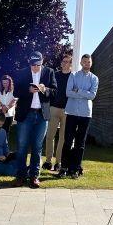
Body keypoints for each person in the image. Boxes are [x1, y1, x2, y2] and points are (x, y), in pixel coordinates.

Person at [12, 51, 56, 188]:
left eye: (38, 64)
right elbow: (16, 92)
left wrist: (44, 89)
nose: (35, 67)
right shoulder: (21, 72)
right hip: (26, 114)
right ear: (29, 62)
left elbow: (55, 92)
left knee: (37, 147)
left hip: (42, 115)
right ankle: (20, 176)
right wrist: (28, 90)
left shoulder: (49, 72)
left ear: (42, 61)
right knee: (22, 146)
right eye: (33, 65)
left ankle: (34, 176)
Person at [60, 54, 98, 178]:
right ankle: (64, 168)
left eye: (89, 61)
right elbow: (67, 92)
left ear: (91, 63)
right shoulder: (73, 75)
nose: (87, 63)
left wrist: (78, 91)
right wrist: (83, 93)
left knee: (80, 143)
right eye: (84, 61)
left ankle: (75, 168)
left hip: (85, 114)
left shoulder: (94, 78)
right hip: (71, 112)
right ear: (81, 63)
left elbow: (92, 96)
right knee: (68, 141)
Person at [43, 54, 72, 172]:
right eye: (63, 61)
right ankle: (48, 161)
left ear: (71, 64)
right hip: (53, 108)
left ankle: (58, 162)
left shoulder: (73, 77)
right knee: (49, 136)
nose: (64, 63)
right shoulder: (55, 75)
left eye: (67, 62)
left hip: (67, 110)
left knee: (63, 138)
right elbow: (49, 90)